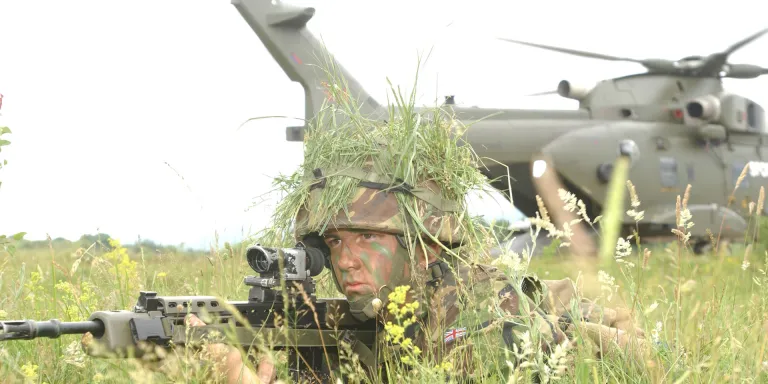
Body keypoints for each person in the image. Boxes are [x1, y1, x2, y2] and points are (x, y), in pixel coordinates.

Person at [183, 95, 649, 382]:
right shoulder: (373, 320)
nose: (344, 261)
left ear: (422, 242)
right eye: (335, 243)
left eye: (366, 237)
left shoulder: (475, 319)